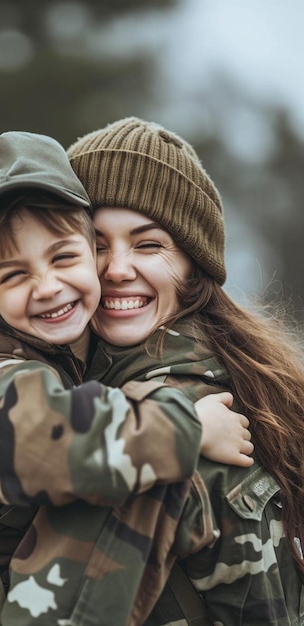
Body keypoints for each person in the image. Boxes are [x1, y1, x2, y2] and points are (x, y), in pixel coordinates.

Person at [0, 130, 250, 626]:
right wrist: (188, 425)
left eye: (64, 258)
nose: (49, 287)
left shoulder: (69, 349)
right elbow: (51, 446)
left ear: (88, 245)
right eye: (14, 274)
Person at [57, 116, 304, 625]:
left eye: (149, 245)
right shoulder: (61, 388)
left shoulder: (205, 429)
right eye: (95, 244)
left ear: (194, 265)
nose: (116, 268)